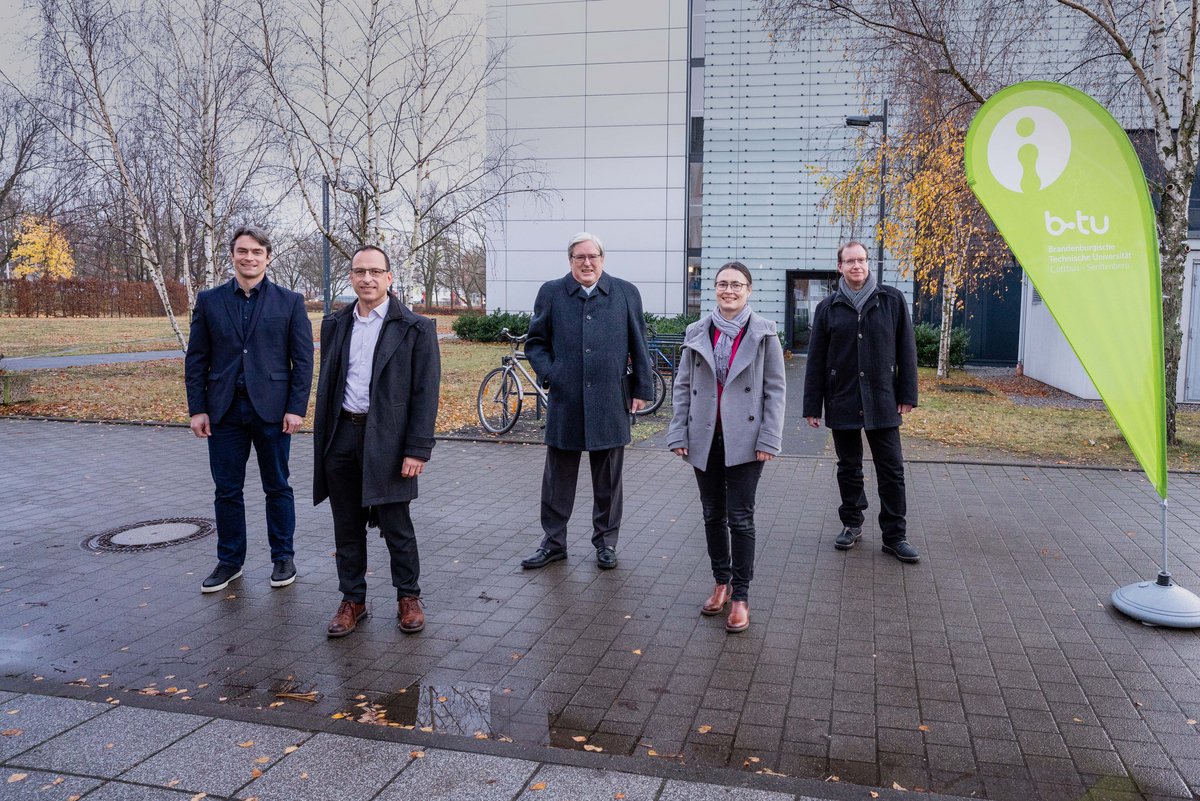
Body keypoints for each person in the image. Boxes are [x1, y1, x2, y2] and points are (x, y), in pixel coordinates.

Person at [313, 245, 440, 637]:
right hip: (342, 437)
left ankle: (408, 596)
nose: (366, 278)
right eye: (359, 271)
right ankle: (353, 600)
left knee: (396, 523)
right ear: (350, 277)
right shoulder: (335, 324)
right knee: (346, 526)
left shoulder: (415, 327)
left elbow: (425, 392)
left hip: (388, 438)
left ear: (389, 278)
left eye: (375, 271)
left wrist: (417, 448)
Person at [185, 226, 314, 593]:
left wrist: (296, 408)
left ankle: (283, 557)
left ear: (268, 257)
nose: (249, 257)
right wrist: (197, 409)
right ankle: (229, 561)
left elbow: (302, 361)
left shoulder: (289, 301)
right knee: (227, 490)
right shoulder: (209, 301)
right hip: (223, 411)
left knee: (278, 486)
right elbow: (197, 359)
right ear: (232, 255)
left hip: (273, 412)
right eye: (242, 251)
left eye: (257, 252)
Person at [519, 232, 655, 571]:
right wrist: (554, 373)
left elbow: (639, 343)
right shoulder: (551, 293)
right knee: (557, 480)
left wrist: (642, 388)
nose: (587, 262)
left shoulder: (625, 292)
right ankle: (553, 543)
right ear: (570, 261)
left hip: (611, 399)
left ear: (603, 259)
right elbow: (535, 343)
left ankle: (606, 543)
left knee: (608, 479)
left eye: (592, 256)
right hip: (567, 401)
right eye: (579, 257)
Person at [666, 262, 785, 632]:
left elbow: (775, 391)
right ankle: (721, 582)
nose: (728, 290)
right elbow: (683, 387)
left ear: (749, 289)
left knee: (741, 518)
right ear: (713, 289)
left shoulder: (764, 334)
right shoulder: (696, 332)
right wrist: (677, 432)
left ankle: (741, 596)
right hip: (704, 436)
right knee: (712, 514)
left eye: (736, 284)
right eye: (721, 284)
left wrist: (769, 438)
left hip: (746, 439)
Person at [803, 241, 920, 563]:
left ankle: (895, 536)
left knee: (892, 470)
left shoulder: (891, 300)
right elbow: (815, 360)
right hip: (842, 397)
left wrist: (908, 395)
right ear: (840, 267)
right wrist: (812, 406)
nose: (857, 265)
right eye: (850, 261)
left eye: (862, 260)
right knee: (849, 467)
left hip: (882, 399)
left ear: (869, 264)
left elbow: (906, 351)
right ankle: (851, 523)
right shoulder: (828, 307)